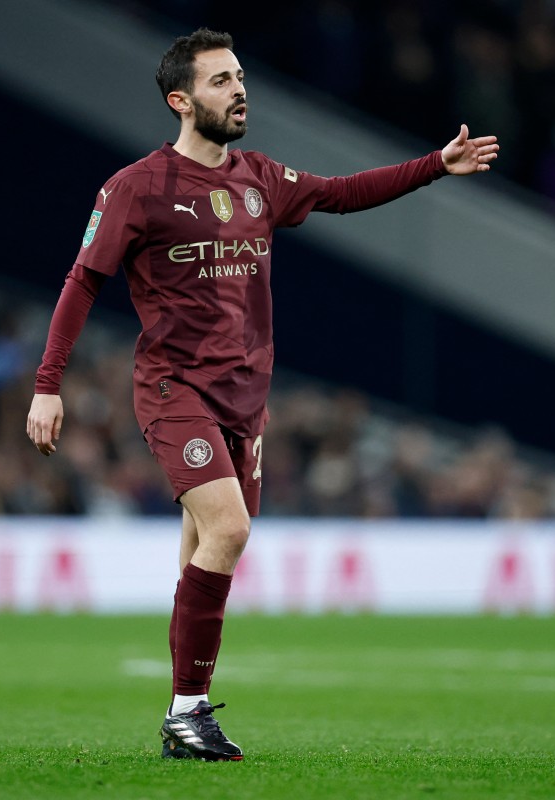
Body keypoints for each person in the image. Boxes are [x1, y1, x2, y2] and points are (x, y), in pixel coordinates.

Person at [25, 28, 498, 761]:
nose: (239, 88)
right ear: (182, 101)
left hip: (246, 400)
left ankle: (182, 715)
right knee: (231, 530)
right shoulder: (135, 188)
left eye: (240, 76)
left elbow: (344, 194)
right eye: (221, 81)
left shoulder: (260, 180)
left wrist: (436, 165)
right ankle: (188, 712)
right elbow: (83, 281)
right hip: (172, 388)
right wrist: (48, 386)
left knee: (205, 550)